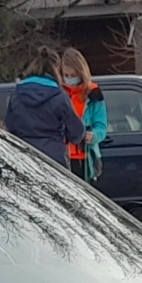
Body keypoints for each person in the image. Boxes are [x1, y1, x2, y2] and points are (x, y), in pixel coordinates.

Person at [0, 48, 77, 166]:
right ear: (57, 69)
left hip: (23, 158)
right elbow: (76, 132)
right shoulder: (59, 96)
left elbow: (10, 127)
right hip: (54, 160)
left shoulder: (16, 94)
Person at [56, 47, 108, 182]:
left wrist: (94, 135)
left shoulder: (93, 93)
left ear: (81, 73)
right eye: (66, 75)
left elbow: (101, 125)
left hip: (86, 157)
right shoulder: (57, 92)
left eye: (72, 75)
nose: (69, 79)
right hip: (62, 155)